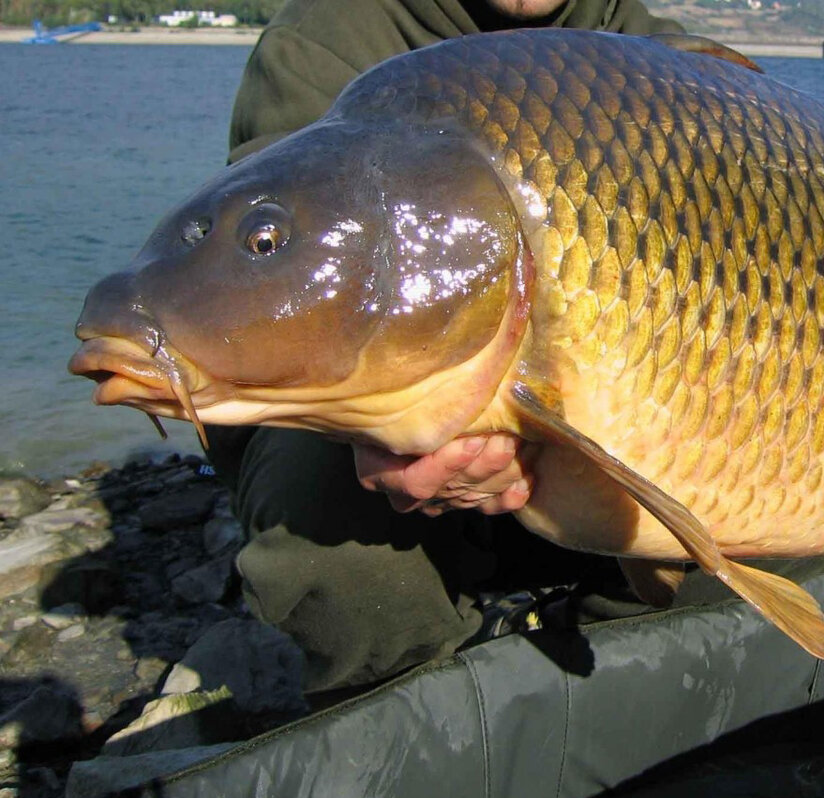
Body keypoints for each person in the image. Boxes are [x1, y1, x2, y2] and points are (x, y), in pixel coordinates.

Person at [208, 0, 718, 694]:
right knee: (327, 555)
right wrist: (393, 432)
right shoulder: (323, 44)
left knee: (794, 524)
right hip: (372, 457)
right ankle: (426, 709)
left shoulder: (654, 52)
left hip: (622, 413)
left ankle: (598, 661)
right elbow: (268, 299)